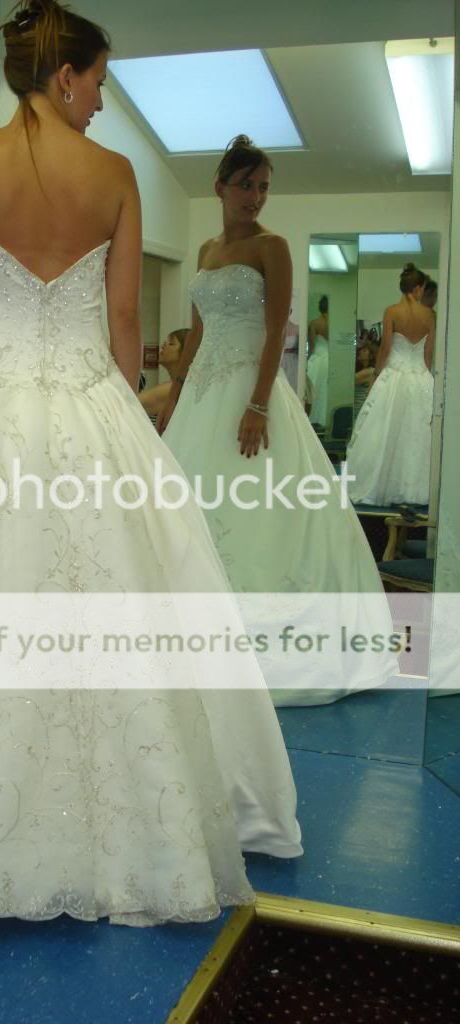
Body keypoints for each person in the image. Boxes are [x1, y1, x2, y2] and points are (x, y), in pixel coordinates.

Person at [0, 1, 302, 926]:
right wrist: (121, 418)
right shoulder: (113, 175)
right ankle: (135, 828)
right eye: (100, 81)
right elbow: (125, 320)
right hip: (86, 401)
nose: (103, 101)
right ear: (64, 76)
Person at [156, 135, 398, 706]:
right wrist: (175, 396)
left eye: (263, 187)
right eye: (246, 185)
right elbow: (197, 332)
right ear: (220, 187)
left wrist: (259, 403)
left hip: (251, 391)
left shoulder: (274, 247)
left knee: (261, 508)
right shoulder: (205, 250)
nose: (256, 197)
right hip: (203, 395)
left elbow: (275, 335)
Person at [346, 264, 434, 506]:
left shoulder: (392, 312)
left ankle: (379, 485)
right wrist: (426, 377)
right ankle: (414, 490)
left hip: (394, 377)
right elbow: (428, 354)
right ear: (418, 288)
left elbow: (385, 348)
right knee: (418, 435)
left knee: (382, 432)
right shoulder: (429, 315)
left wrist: (377, 373)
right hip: (421, 377)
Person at [139, 328, 187, 425]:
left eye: (171, 343)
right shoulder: (178, 386)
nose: (163, 345)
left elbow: (130, 404)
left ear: (185, 354)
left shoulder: (171, 389)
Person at [306, 295, 329, 428]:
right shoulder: (333, 323)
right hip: (329, 358)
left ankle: (312, 418)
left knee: (314, 389)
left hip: (318, 358)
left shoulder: (314, 323)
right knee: (325, 390)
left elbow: (312, 346)